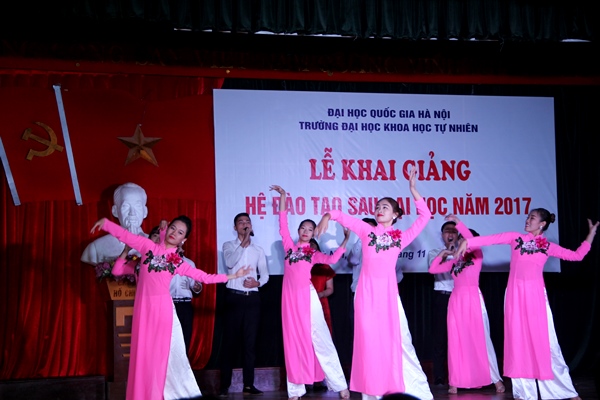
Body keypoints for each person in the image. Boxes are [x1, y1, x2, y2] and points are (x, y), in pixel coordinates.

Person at [91, 215, 250, 400]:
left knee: (159, 358)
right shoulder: (147, 247)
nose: (175, 233)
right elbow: (126, 237)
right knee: (141, 356)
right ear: (167, 229)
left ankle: (157, 395)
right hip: (143, 310)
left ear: (184, 239)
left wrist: (232, 276)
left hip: (162, 311)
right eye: (173, 228)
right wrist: (106, 224)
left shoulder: (177, 262)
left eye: (180, 232)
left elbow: (204, 277)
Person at [315, 167, 433, 400]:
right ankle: (371, 392)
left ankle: (406, 389)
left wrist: (413, 189)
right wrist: (327, 216)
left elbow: (425, 216)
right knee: (369, 343)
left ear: (395, 215)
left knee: (398, 342)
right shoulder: (367, 231)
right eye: (378, 206)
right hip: (366, 295)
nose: (379, 209)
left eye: (385, 207)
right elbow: (341, 215)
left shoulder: (400, 238)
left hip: (389, 296)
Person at [456, 208, 599, 400]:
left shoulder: (547, 246)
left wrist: (590, 235)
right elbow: (492, 239)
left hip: (536, 297)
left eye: (532, 218)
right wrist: (468, 240)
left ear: (542, 224)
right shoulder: (516, 238)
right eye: (527, 217)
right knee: (518, 343)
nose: (527, 220)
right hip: (515, 296)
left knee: (546, 343)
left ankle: (564, 390)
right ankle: (524, 393)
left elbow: (577, 255)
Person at [271, 184, 351, 400]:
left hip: (308, 297)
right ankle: (295, 391)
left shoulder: (313, 254)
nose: (306, 231)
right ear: (298, 231)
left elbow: (332, 259)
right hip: (289, 299)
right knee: (293, 341)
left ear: (314, 233)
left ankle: (340, 385)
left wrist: (345, 240)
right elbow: (282, 221)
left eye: (310, 229)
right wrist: (284, 196)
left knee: (321, 337)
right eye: (303, 228)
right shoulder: (289, 247)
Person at [428, 215, 504, 394]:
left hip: (473, 299)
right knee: (456, 341)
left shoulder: (477, 256)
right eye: (460, 239)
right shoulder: (456, 261)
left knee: (482, 340)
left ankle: (496, 380)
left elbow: (471, 239)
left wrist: (457, 222)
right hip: (456, 301)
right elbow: (432, 270)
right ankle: (455, 381)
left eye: (463, 239)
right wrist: (442, 255)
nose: (461, 241)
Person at [220, 212, 270, 397]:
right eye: (240, 222)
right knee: (229, 343)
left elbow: (265, 274)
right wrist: (244, 242)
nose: (244, 224)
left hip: (252, 299)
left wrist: (258, 282)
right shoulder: (228, 246)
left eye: (247, 221)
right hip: (234, 298)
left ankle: (248, 385)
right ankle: (224, 385)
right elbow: (229, 262)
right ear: (235, 228)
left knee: (250, 344)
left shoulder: (258, 250)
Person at [81, 182, 148, 266]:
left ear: (145, 211)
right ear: (115, 211)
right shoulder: (96, 248)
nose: (132, 213)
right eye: (125, 206)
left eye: (138, 206)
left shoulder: (158, 245)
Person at [427, 219, 457, 386]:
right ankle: (439, 376)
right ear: (442, 235)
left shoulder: (463, 252)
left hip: (459, 296)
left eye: (453, 231)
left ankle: (459, 376)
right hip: (442, 296)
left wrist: (455, 253)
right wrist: (447, 253)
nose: (450, 234)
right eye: (447, 231)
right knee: (440, 337)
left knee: (459, 337)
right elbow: (433, 268)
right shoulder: (435, 253)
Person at [309, 238, 336, 337]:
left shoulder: (325, 267)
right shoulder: (299, 266)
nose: (311, 246)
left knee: (323, 333)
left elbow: (330, 289)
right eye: (308, 244)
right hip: (304, 302)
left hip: (321, 302)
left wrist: (321, 294)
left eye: (313, 244)